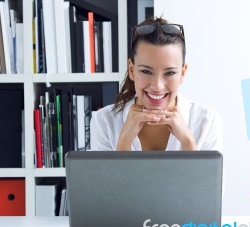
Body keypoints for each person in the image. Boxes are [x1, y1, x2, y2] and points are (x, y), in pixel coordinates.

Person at [90, 17, 223, 151]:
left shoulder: (207, 121)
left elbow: (208, 173)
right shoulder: (103, 122)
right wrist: (124, 140)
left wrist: (188, 141)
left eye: (170, 73)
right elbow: (105, 173)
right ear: (131, 70)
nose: (157, 86)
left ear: (182, 74)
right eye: (146, 71)